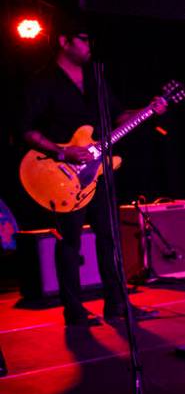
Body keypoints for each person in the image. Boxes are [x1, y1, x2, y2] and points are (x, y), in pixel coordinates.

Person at [21, 22, 166, 327]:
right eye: (84, 39)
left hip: (98, 170)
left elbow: (118, 116)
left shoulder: (96, 78)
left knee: (110, 237)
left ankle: (116, 305)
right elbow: (27, 130)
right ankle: (73, 311)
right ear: (64, 40)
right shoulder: (43, 81)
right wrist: (62, 152)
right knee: (69, 241)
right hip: (61, 172)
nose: (89, 46)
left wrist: (149, 109)